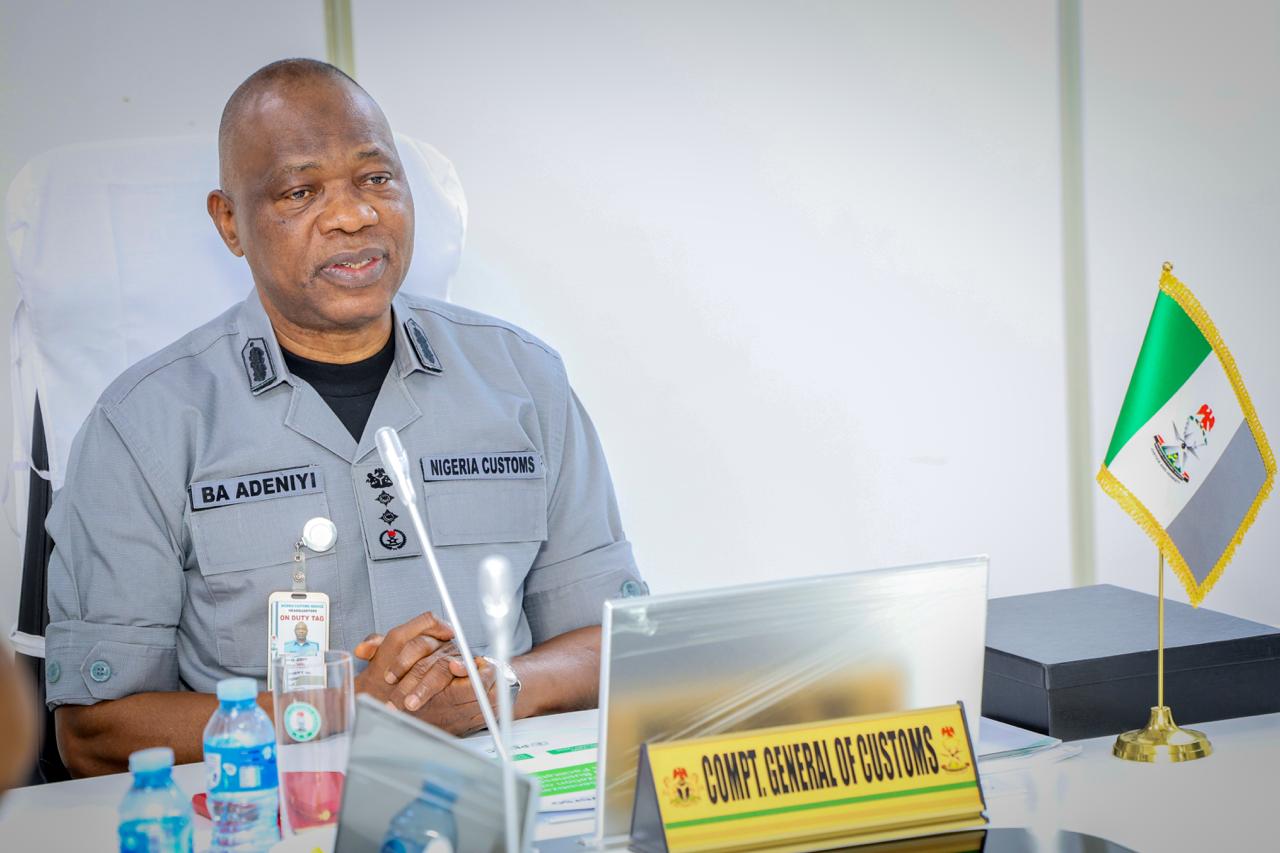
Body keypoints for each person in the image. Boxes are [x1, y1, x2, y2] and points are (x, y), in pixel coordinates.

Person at [44, 59, 646, 777]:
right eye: (300, 191)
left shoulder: (523, 379)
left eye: (376, 178)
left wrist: (499, 687)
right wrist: (348, 709)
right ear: (230, 222)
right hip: (274, 811)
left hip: (504, 795)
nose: (354, 215)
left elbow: (615, 641)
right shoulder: (143, 424)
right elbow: (94, 731)